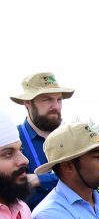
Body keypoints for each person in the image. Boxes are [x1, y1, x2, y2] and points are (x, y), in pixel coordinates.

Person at [9, 72, 73, 210]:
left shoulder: (71, 139)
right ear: (27, 103)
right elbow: (12, 185)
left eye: (59, 100)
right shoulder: (12, 142)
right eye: (47, 99)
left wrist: (37, 179)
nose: (55, 106)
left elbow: (87, 178)